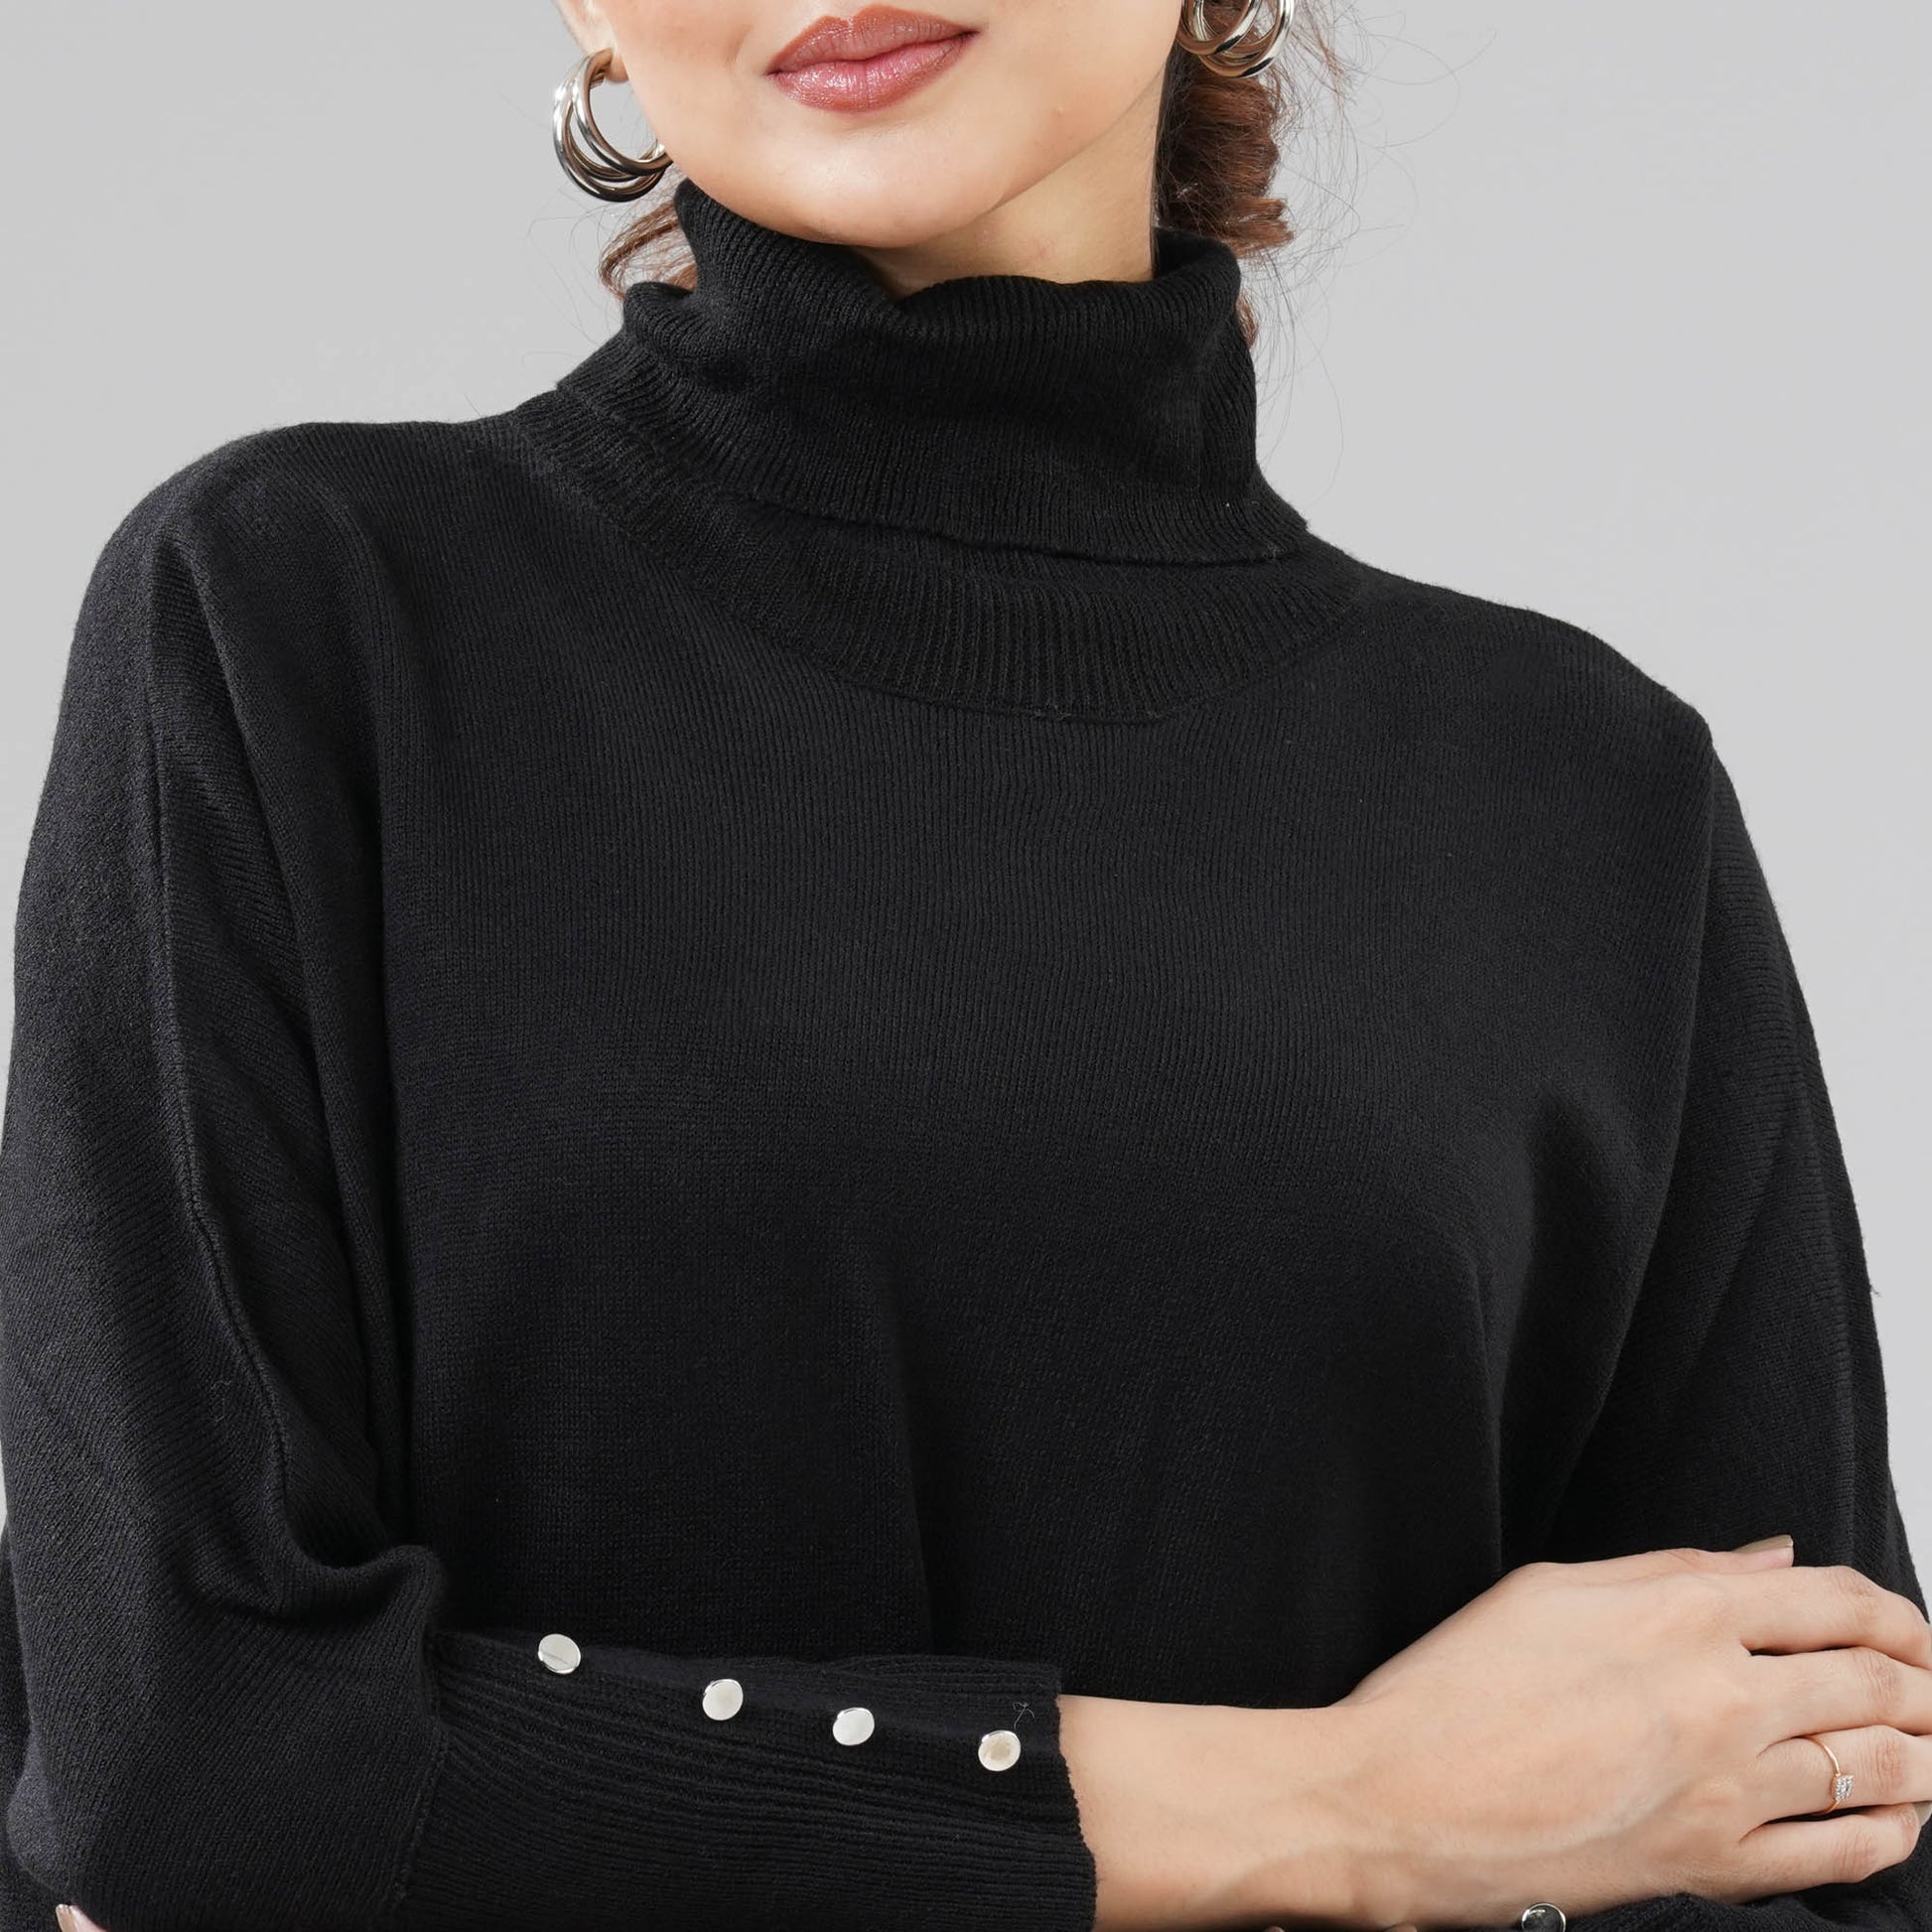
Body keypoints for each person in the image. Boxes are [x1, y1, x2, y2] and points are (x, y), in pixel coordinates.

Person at [1, 2, 1927, 1929]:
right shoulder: (294, 630)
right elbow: (208, 1761)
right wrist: (1344, 1806)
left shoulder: (1582, 802)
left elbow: (1832, 1832)